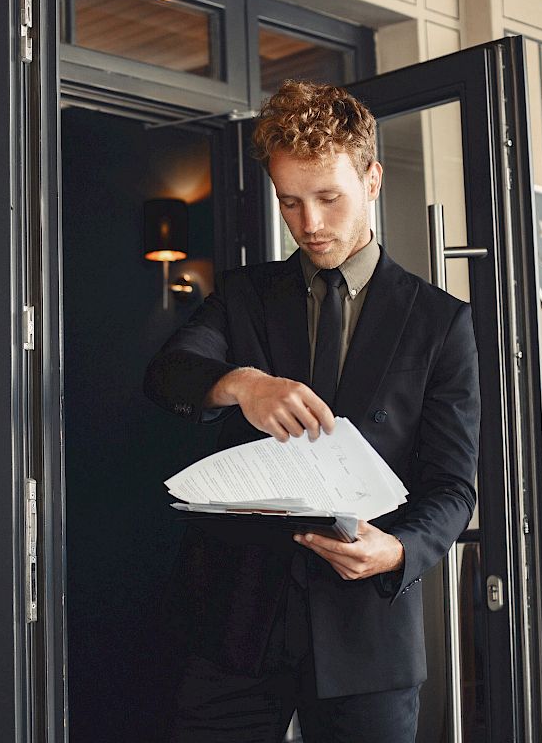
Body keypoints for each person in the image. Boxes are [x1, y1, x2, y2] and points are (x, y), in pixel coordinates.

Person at [144, 80, 480, 742]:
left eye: (329, 198)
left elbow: (452, 487)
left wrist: (398, 550)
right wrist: (241, 384)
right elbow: (168, 374)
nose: (311, 224)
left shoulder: (440, 323)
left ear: (372, 179)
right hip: (235, 630)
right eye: (290, 201)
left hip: (367, 636)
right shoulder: (243, 295)